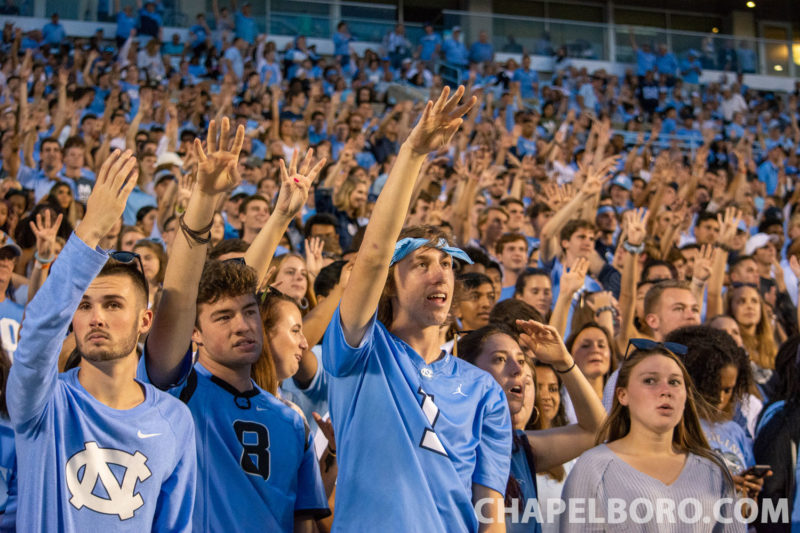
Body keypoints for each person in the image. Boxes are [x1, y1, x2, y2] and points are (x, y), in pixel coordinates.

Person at [323, 86, 514, 532]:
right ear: (390, 283)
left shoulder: (483, 390)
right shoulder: (359, 351)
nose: (440, 274)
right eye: (421, 264)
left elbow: (490, 512)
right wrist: (413, 152)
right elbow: (372, 255)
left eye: (447, 264)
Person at [140, 122, 330, 532]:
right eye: (223, 318)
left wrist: (281, 213)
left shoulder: (291, 420)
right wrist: (206, 198)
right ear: (194, 332)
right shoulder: (177, 392)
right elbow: (179, 297)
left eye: (249, 314)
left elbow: (305, 523)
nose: (242, 325)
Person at [7, 150, 197, 532]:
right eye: (84, 306)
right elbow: (34, 339)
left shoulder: (175, 420)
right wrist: (90, 229)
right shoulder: (42, 402)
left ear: (145, 320)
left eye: (113, 304)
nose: (96, 317)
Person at [560, 340, 742, 532]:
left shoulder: (713, 470)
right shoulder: (593, 467)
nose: (665, 391)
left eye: (674, 382)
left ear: (686, 396)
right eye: (650, 381)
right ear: (623, 395)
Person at [459, 321, 606, 531]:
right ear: (468, 370)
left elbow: (597, 430)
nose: (517, 369)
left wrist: (563, 362)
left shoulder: (519, 447)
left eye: (520, 360)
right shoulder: (450, 443)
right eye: (500, 359)